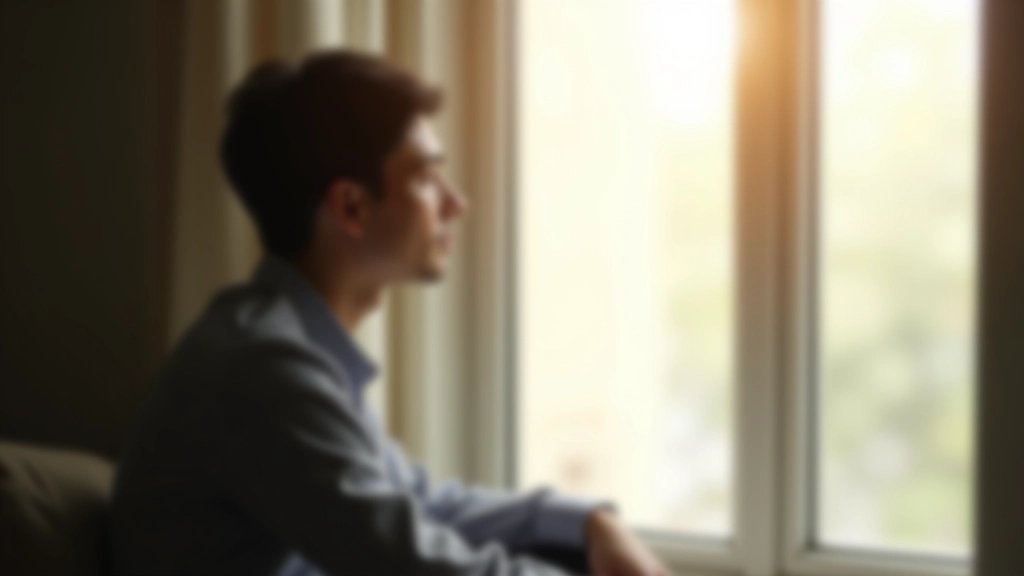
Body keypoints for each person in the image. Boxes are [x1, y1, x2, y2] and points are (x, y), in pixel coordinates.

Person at [111, 50, 670, 576]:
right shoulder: (261, 371)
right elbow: (410, 565)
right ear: (351, 207)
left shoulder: (295, 353)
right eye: (426, 179)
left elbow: (419, 505)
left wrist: (591, 520)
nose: (456, 204)